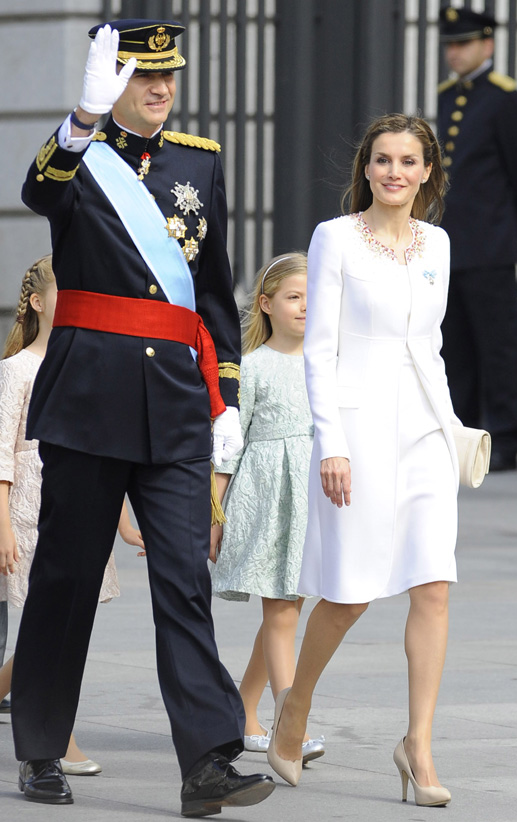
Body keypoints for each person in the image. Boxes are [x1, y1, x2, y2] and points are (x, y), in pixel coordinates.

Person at [13, 20, 274, 815]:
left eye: (169, 77)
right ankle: (41, 745)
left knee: (184, 582)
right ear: (112, 82)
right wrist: (84, 120)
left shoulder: (201, 162)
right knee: (65, 577)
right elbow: (37, 193)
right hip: (89, 398)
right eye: (143, 77)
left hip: (174, 407)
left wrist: (224, 395)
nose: (160, 90)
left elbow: (217, 287)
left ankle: (208, 760)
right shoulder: (78, 154)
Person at [266, 113, 459, 807]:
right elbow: (319, 348)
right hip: (358, 430)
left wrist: (453, 427)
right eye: (382, 160)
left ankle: (419, 745)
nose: (394, 172)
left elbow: (429, 346)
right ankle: (294, 709)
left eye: (409, 161)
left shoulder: (436, 243)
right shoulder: (335, 239)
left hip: (425, 434)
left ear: (427, 171)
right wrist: (333, 443)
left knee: (433, 586)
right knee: (348, 595)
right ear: (367, 169)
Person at [0, 256, 146, 775]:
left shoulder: (89, 366)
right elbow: (0, 455)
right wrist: (2, 530)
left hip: (80, 505)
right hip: (26, 510)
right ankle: (58, 738)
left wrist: (123, 522)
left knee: (63, 618)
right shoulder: (15, 371)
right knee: (53, 620)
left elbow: (106, 449)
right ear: (39, 303)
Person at [210, 253, 324, 763]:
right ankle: (289, 724)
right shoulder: (251, 367)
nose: (305, 307)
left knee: (289, 606)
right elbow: (230, 444)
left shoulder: (329, 363)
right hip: (268, 496)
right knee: (280, 607)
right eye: (293, 297)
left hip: (314, 497)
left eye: (311, 297)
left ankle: (243, 709)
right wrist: (215, 509)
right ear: (266, 304)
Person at [437, 6, 517, 471]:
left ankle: (505, 437)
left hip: (490, 242)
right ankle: (463, 435)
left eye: (463, 43)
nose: (453, 53)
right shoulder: (447, 96)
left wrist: (512, 229)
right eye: (450, 44)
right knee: (454, 344)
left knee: (497, 344)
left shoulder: (504, 99)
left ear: (488, 45)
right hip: (451, 242)